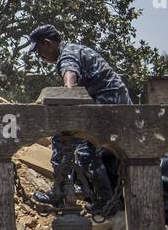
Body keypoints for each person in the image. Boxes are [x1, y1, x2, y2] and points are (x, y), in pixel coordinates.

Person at [24, 24, 132, 206]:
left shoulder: (67, 56)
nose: (39, 56)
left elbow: (70, 83)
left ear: (48, 43)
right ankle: (93, 195)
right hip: (115, 104)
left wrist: (65, 98)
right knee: (79, 144)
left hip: (109, 104)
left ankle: (99, 200)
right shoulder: (76, 49)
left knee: (77, 145)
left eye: (39, 51)